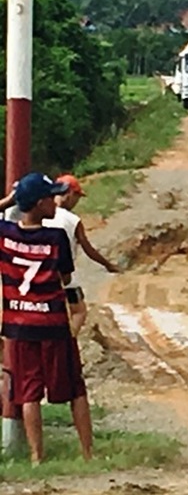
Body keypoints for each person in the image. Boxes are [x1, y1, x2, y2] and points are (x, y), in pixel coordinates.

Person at [1, 172, 93, 464]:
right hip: (53, 324)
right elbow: (65, 276)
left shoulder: (5, 235)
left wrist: (9, 200)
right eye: (51, 197)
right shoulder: (55, 237)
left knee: (28, 393)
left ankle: (37, 456)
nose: (56, 201)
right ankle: (88, 453)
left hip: (17, 325)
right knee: (75, 388)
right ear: (40, 203)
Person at [43, 174, 121, 334]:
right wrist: (108, 265)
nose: (77, 201)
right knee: (79, 311)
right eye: (77, 196)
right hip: (65, 276)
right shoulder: (72, 220)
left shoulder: (41, 215)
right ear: (69, 193)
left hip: (40, 272)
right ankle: (70, 340)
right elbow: (88, 249)